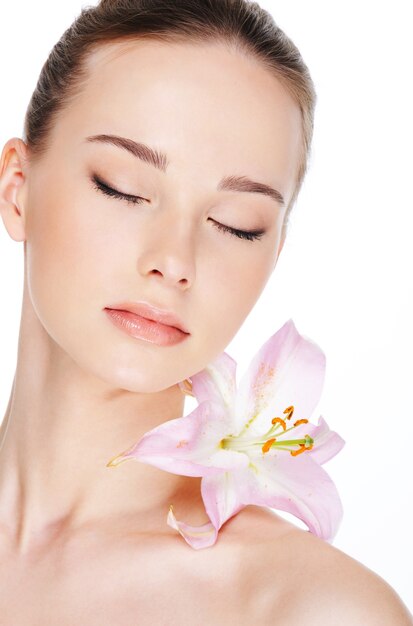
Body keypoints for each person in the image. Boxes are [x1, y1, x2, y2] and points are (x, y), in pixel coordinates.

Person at [0, 0, 411, 623]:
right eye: (123, 187)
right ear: (18, 189)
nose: (174, 260)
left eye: (236, 225)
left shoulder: (313, 610)